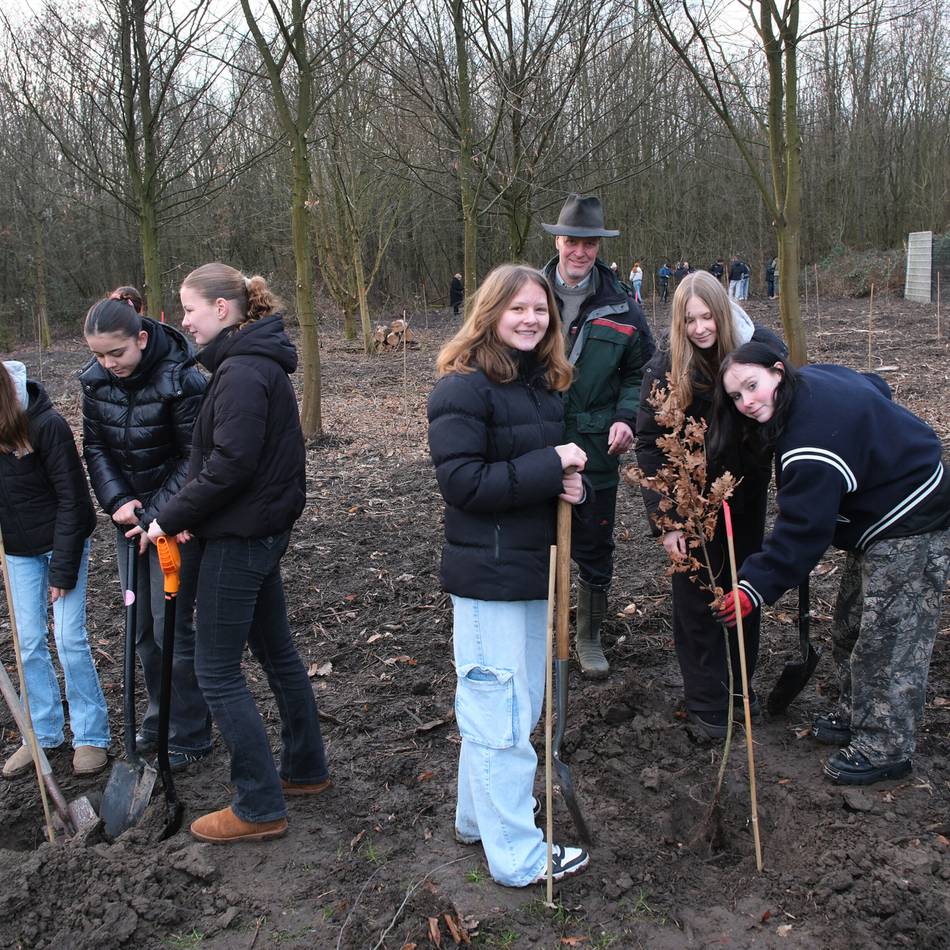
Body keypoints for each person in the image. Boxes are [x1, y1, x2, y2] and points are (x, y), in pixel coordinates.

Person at [147, 263, 330, 843]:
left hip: (242, 539)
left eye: (190, 309)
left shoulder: (245, 372)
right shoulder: (246, 365)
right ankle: (305, 768)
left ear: (222, 309)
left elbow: (230, 465)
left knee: (216, 670)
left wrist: (168, 518)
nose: (184, 321)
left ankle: (257, 804)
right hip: (253, 531)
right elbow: (226, 462)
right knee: (276, 653)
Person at [711, 342, 950, 785]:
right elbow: (875, 386)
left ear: (777, 373)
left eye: (753, 386)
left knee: (890, 637)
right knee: (851, 623)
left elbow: (802, 534)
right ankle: (857, 710)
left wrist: (751, 588)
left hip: (912, 509)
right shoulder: (810, 381)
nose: (747, 402)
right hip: (877, 510)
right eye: (737, 397)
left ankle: (885, 746)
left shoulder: (810, 447)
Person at [428, 263, 590, 886]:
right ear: (490, 312)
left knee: (509, 710)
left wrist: (568, 485)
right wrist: (550, 464)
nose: (531, 319)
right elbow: (462, 484)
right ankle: (518, 856)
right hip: (488, 576)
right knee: (499, 712)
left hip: (533, 569)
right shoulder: (461, 388)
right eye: (517, 308)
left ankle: (477, 819)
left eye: (540, 309)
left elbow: (541, 475)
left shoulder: (541, 386)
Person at [635, 273, 784, 738]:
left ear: (722, 312)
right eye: (689, 320)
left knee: (744, 589)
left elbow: (784, 412)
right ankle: (706, 701)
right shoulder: (665, 367)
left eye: (707, 317)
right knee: (697, 596)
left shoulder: (759, 349)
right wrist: (669, 521)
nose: (700, 329)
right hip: (689, 502)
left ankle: (741, 687)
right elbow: (650, 444)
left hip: (744, 495)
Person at [80, 292, 212, 770]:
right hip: (128, 523)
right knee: (142, 631)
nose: (108, 364)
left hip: (174, 525)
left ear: (140, 337)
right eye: (98, 355)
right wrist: (117, 503)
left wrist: (157, 515)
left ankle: (191, 731)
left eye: (117, 353)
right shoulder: (95, 383)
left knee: (171, 625)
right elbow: (95, 447)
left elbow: (194, 458)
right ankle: (159, 718)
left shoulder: (181, 380)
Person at [540, 195, 654, 678]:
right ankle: (541, 629)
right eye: (572, 241)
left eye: (589, 243)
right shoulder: (529, 296)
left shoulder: (623, 308)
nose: (579, 252)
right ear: (558, 242)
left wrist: (628, 416)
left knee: (593, 543)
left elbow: (641, 371)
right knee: (537, 539)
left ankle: (587, 636)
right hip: (538, 438)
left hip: (596, 446)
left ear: (598, 247)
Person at [0, 361, 110, 779]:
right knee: (28, 643)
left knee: (68, 639)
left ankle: (90, 735)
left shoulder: (46, 426)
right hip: (17, 552)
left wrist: (62, 571)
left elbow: (75, 504)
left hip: (61, 545)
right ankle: (42, 735)